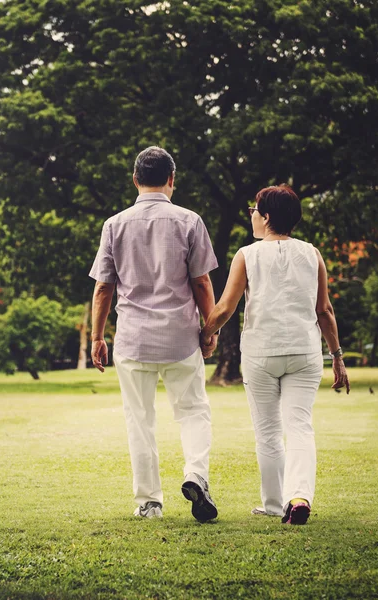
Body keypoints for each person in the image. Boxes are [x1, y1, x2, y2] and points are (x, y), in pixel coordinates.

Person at [200, 184, 350, 525]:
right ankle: (298, 497)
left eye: (255, 209)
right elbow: (324, 310)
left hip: (261, 353)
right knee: (299, 426)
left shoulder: (247, 255)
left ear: (266, 217)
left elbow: (225, 308)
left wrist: (204, 334)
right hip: (304, 351)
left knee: (267, 431)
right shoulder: (312, 254)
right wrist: (337, 356)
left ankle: (272, 503)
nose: (252, 214)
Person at [89, 146, 219, 522]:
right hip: (180, 338)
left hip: (132, 340)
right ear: (172, 180)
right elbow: (202, 282)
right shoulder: (189, 221)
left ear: (135, 180)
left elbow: (102, 289)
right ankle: (196, 474)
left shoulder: (114, 224)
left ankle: (149, 502)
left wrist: (97, 337)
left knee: (139, 419)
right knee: (194, 411)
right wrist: (209, 329)